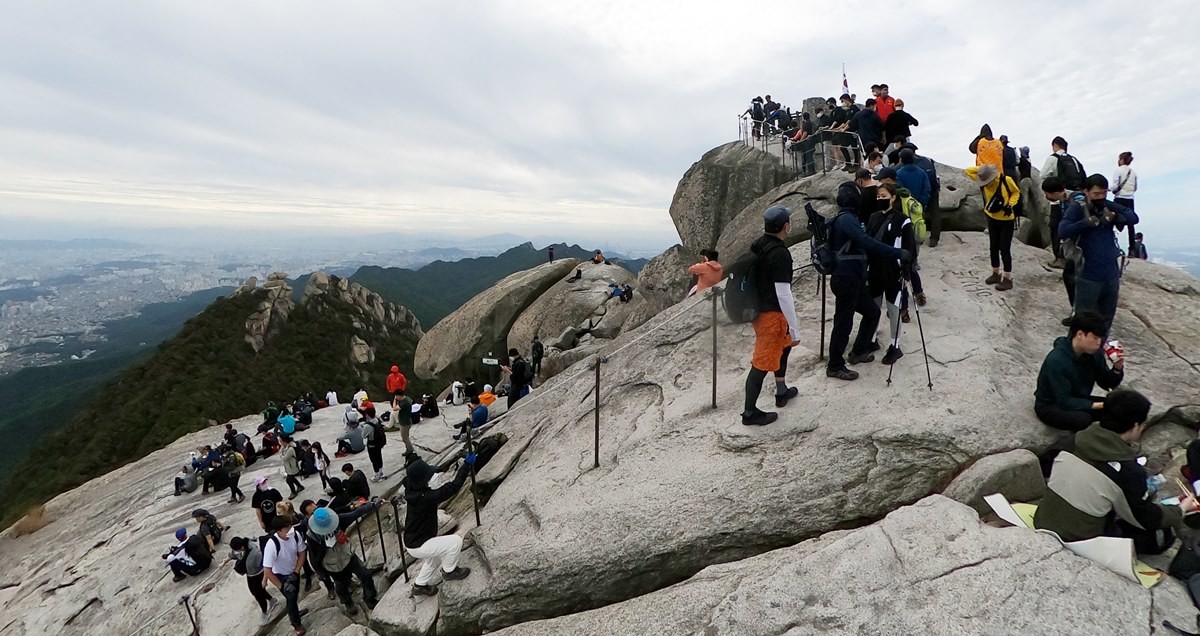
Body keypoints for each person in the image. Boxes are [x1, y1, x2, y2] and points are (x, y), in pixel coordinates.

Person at [1036, 389, 1191, 554]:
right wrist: (1179, 510)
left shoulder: (1075, 440)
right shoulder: (1128, 470)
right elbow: (1145, 519)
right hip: (1078, 539)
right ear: (1136, 426)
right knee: (1161, 536)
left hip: (1043, 520)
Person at [826, 182, 909, 381]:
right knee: (843, 323)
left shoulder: (845, 218)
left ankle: (859, 351)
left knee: (872, 312)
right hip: (847, 279)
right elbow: (867, 242)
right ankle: (835, 365)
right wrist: (897, 253)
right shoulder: (847, 220)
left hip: (851, 278)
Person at [740, 206, 800, 426]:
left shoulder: (759, 244)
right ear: (786, 226)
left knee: (784, 347)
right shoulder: (780, 254)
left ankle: (781, 390)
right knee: (762, 363)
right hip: (772, 315)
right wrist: (794, 327)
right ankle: (749, 413)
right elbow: (783, 293)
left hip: (759, 310)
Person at [1059, 174, 1139, 332]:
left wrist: (1116, 216)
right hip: (1088, 274)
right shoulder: (1078, 207)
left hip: (1111, 274)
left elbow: (1133, 218)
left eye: (1103, 193)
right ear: (1086, 192)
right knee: (1084, 320)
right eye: (1096, 194)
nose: (1100, 197)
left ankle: (1098, 352)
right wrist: (1086, 222)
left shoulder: (1107, 205)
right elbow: (1063, 230)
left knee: (1105, 320)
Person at [1034, 311, 1125, 432]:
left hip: (1079, 398)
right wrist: (1100, 405)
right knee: (1083, 419)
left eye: (1100, 338)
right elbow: (1064, 400)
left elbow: (1106, 383)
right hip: (1051, 405)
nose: (1099, 342)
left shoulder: (1094, 353)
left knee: (1121, 408)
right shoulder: (1056, 360)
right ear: (1080, 334)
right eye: (1095, 337)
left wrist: (1117, 368)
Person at [403, 454, 476, 596]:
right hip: (419, 543)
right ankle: (450, 571)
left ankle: (419, 585)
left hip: (414, 540)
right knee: (455, 542)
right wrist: (466, 465)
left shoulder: (413, 490)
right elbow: (452, 487)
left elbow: (412, 473)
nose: (434, 476)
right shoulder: (424, 498)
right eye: (430, 476)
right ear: (423, 481)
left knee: (433, 560)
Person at [868, 184, 919, 365]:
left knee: (893, 308)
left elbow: (909, 248)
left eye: (884, 195)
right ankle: (871, 339)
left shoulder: (903, 220)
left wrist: (907, 270)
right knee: (873, 307)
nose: (881, 199)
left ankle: (895, 345)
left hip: (893, 271)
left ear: (893, 197)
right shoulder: (873, 218)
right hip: (874, 269)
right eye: (878, 196)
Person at [305, 507, 378, 614]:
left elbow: (354, 514)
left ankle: (370, 598)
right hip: (332, 564)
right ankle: (348, 603)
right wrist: (321, 572)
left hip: (347, 555)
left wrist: (371, 505)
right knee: (341, 585)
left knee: (365, 574)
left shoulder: (338, 520)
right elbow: (314, 556)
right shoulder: (312, 536)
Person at [965, 163, 1020, 291]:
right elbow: (968, 171)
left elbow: (1016, 192)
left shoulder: (1006, 180)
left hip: (1007, 219)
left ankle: (1007, 278)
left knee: (1005, 249)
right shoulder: (983, 180)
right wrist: (983, 170)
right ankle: (996, 273)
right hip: (991, 216)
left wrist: (1010, 205)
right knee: (993, 247)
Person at [1041, 177, 1084, 317]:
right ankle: (1075, 311)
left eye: (1047, 193)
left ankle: (1079, 313)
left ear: (1053, 193)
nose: (1046, 197)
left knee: (1077, 280)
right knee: (1069, 276)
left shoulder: (1076, 200)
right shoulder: (1065, 200)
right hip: (1074, 245)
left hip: (1082, 247)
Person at [262, 516, 308, 636]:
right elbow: (267, 570)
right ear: (279, 531)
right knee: (290, 598)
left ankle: (296, 613)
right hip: (281, 575)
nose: (290, 529)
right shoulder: (272, 545)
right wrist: (281, 586)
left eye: (290, 526)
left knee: (295, 594)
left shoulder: (295, 535)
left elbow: (302, 552)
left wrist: (297, 571)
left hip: (293, 572)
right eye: (287, 527)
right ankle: (296, 624)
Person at [230, 536, 279, 626]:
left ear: (241, 547)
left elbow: (265, 566)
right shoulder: (243, 548)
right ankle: (272, 600)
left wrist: (265, 579)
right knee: (255, 591)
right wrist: (226, 560)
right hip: (250, 575)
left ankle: (265, 613)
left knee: (258, 595)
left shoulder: (255, 553)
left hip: (257, 575)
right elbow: (233, 555)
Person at [1111, 152, 1139, 250]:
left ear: (1122, 159)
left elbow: (1115, 186)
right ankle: (1132, 248)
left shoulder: (1118, 171)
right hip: (1130, 199)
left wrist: (1109, 190)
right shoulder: (1133, 173)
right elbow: (1135, 188)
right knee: (1130, 224)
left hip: (1119, 198)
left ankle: (1111, 244)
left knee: (1112, 219)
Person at [361, 406, 387, 482]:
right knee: (379, 457)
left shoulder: (368, 425)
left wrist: (363, 427)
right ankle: (381, 472)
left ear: (367, 415)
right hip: (379, 443)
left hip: (372, 445)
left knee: (374, 460)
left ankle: (377, 476)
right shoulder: (378, 420)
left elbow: (363, 436)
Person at [279, 435, 305, 500]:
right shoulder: (283, 447)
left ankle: (293, 492)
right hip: (288, 467)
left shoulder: (290, 449)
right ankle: (299, 486)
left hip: (292, 467)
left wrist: (281, 456)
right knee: (292, 478)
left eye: (280, 441)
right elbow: (280, 453)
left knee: (288, 480)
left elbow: (285, 458)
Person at [390, 388, 416, 454]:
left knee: (405, 438)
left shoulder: (404, 403)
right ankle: (408, 449)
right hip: (408, 420)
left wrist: (395, 400)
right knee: (406, 437)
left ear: (399, 396)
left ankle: (410, 450)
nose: (396, 397)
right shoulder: (407, 398)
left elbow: (394, 408)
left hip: (404, 423)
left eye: (396, 396)